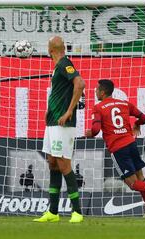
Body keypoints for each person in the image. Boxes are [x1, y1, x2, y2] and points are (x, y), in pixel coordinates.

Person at [85, 79, 145, 218]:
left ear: (103, 92)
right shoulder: (124, 103)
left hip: (118, 149)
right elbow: (144, 118)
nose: (95, 91)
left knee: (132, 184)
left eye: (97, 89)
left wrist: (89, 134)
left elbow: (95, 129)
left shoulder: (98, 107)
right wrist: (137, 124)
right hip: (131, 144)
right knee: (141, 178)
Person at [34, 36, 85, 223]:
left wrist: (69, 111)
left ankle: (77, 212)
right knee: (53, 162)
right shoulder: (58, 67)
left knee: (64, 164)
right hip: (52, 123)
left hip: (63, 124)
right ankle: (53, 212)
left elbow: (80, 83)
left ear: (50, 50)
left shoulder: (65, 63)